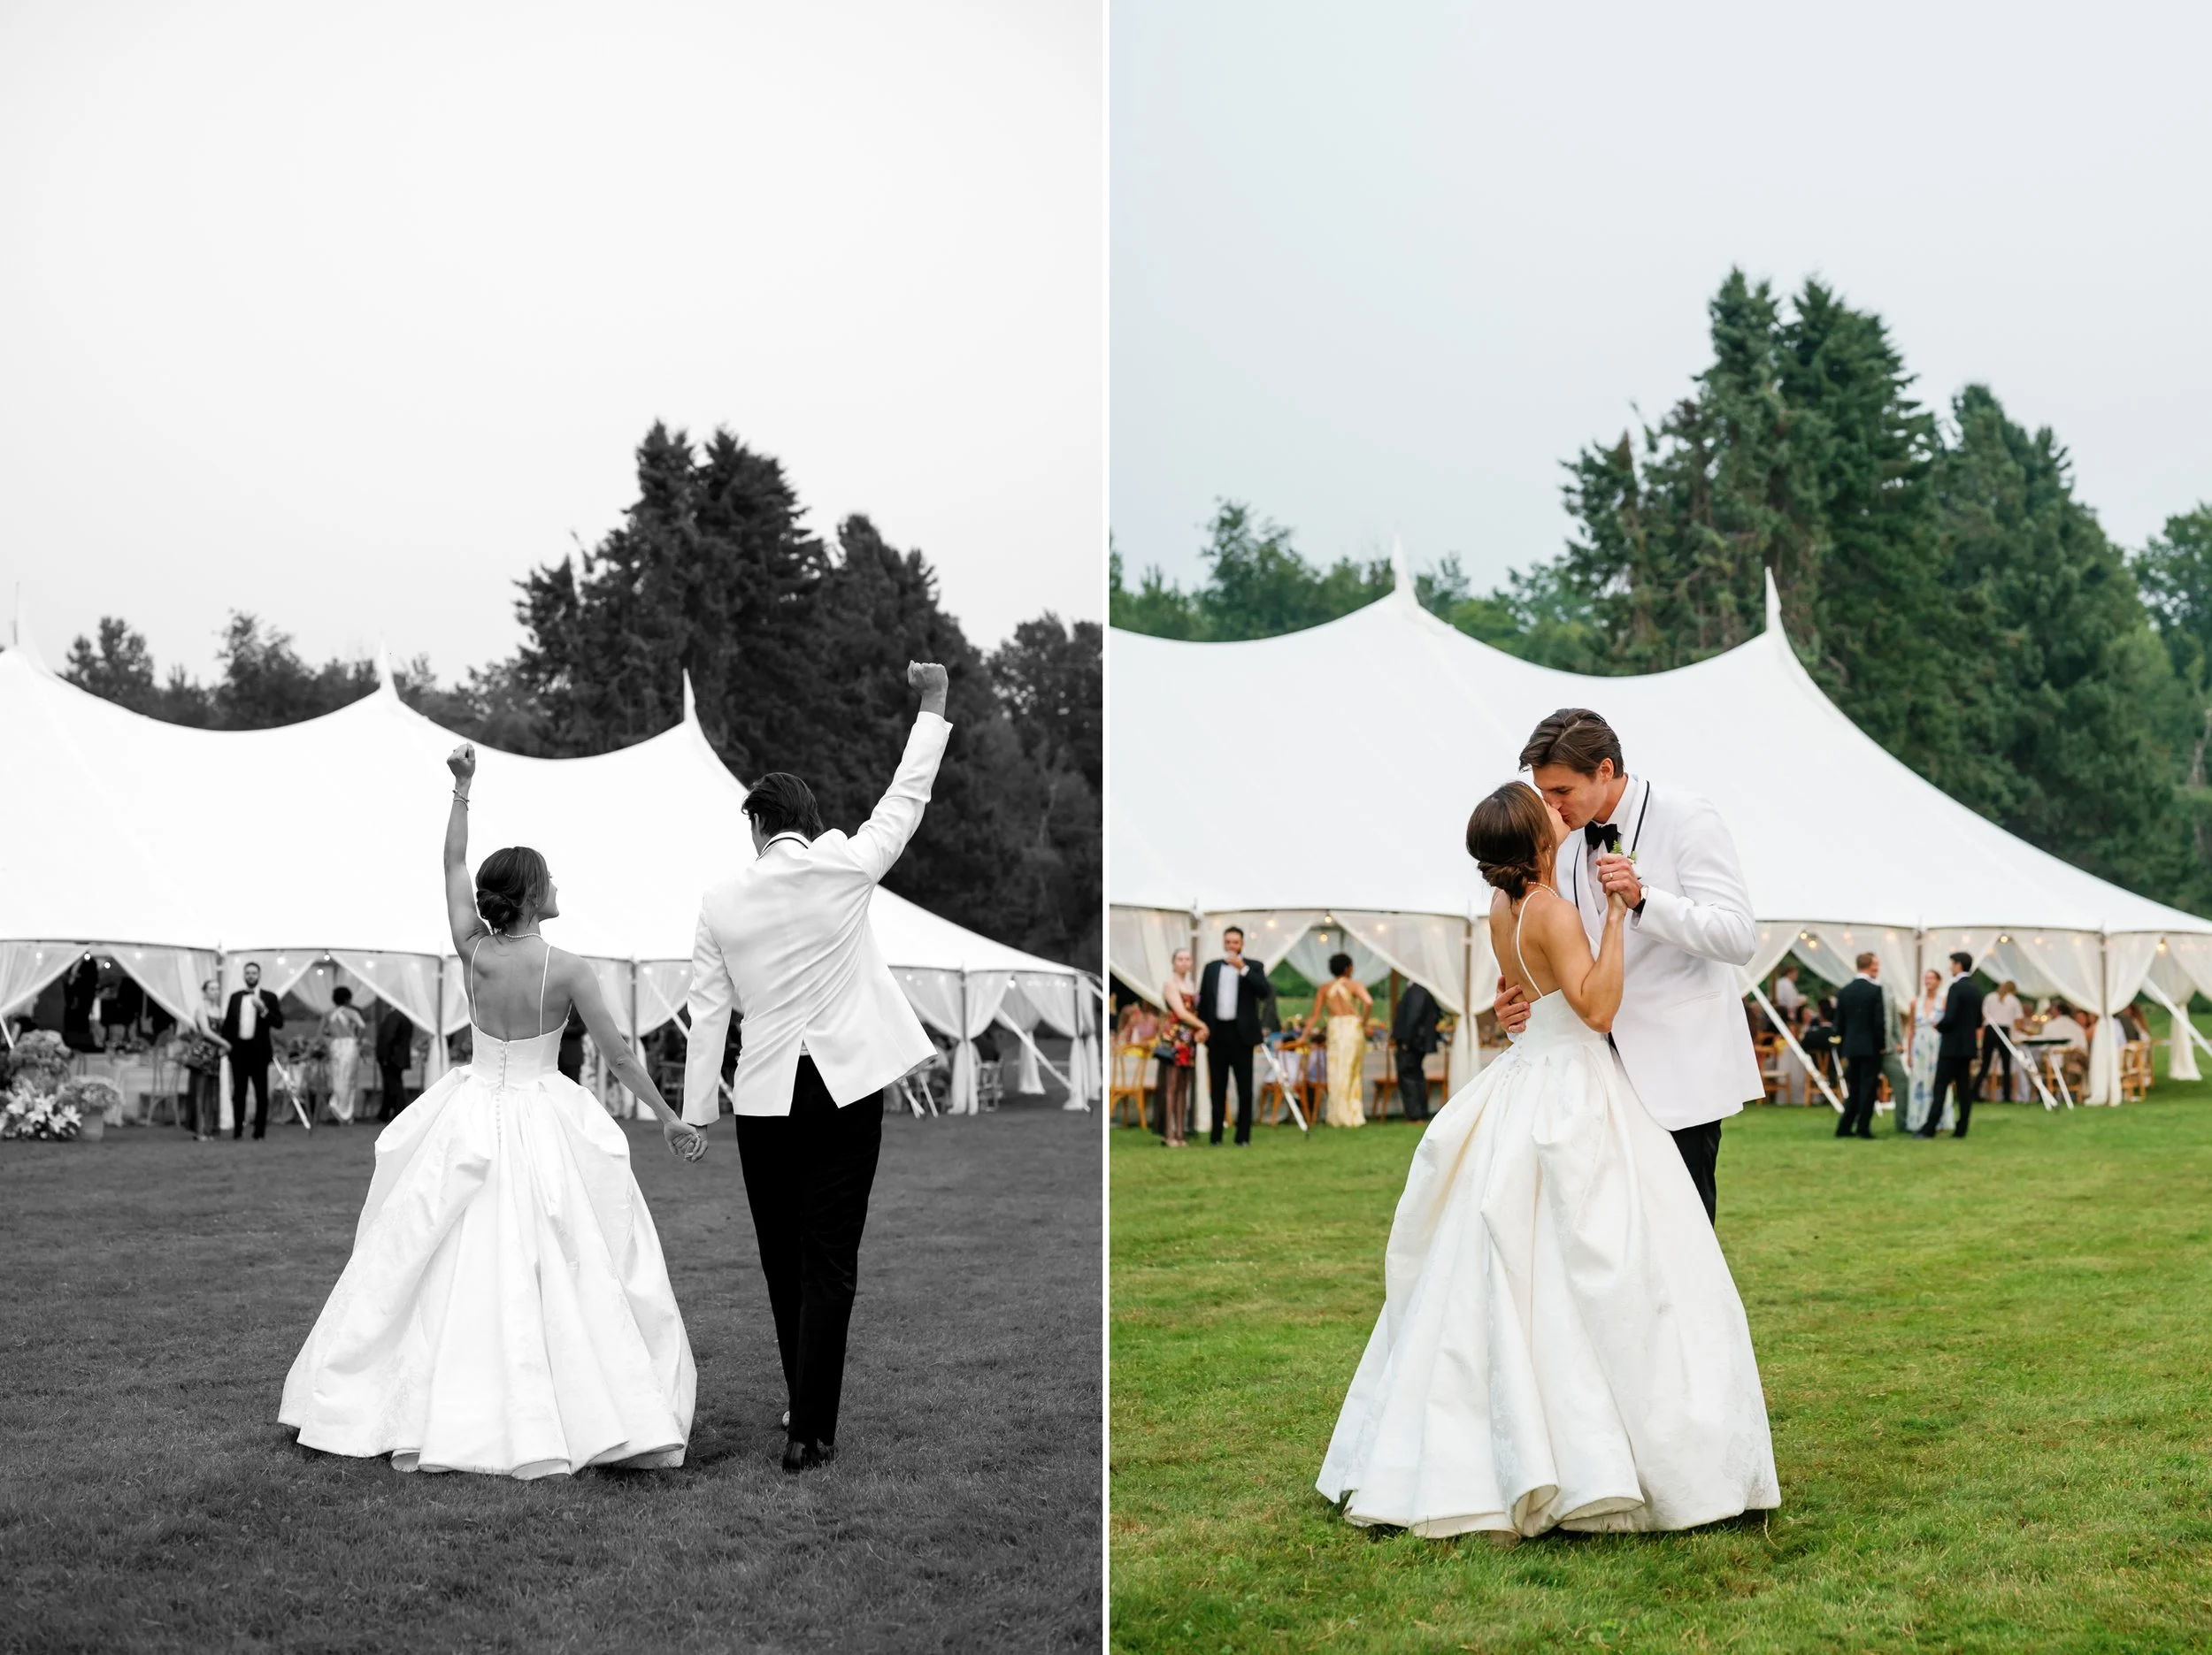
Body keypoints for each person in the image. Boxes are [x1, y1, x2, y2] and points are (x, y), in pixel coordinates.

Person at [1318, 780, 1778, 1537]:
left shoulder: (1501, 910)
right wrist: (1621, 923)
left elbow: (1523, 989)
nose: (1560, 812)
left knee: (1514, 1265)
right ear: (1536, 840)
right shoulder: (1555, 910)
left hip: (1524, 1080)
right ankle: (1615, 1452)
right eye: (1549, 810)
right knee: (1613, 1262)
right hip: (1576, 1082)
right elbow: (1596, 1008)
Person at [281, 742, 702, 1479]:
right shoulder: (568, 967)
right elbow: (622, 1057)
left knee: (438, 1249)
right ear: (533, 895)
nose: (557, 884)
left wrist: (462, 790)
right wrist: (668, 1116)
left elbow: (450, 869)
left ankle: (434, 1393)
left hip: (471, 1105)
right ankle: (565, 1400)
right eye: (549, 879)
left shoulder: (472, 949)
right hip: (542, 1111)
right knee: (569, 1252)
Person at [681, 661, 950, 1474]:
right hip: (845, 1087)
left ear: (759, 828)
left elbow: (708, 1013)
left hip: (763, 1097)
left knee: (781, 1254)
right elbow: (905, 800)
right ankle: (811, 1429)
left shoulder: (720, 899)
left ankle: (804, 1401)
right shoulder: (845, 866)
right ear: (809, 819)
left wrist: (697, 1113)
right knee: (830, 1255)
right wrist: (932, 704)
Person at [1494, 709, 1763, 1223]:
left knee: (1684, 1233)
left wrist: (1644, 901)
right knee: (1612, 1239)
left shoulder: (1688, 816)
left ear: (1604, 769)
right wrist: (1524, 1000)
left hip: (1677, 1073)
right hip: (1592, 1079)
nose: (1549, 807)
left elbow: (1738, 936)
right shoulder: (1561, 834)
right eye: (1543, 793)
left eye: (1561, 793)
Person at [1198, 927, 1268, 1147]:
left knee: (1244, 1088)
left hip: (1242, 1036)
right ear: (1224, 943)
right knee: (1218, 1087)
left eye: (1235, 942)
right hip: (1218, 1034)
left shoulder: (1254, 967)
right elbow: (1204, 1001)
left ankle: (1243, 1137)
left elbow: (1264, 992)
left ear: (1242, 944)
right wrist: (1202, 1028)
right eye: (1228, 942)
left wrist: (1244, 970)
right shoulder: (1211, 968)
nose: (1231, 946)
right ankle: (1216, 1136)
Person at [1919, 952, 1985, 1140]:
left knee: (1940, 1087)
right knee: (1964, 1090)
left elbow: (1950, 1017)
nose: (1950, 968)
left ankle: (1929, 1128)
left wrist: (1938, 1025)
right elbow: (1978, 1021)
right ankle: (1961, 1127)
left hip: (1951, 1047)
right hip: (1967, 1047)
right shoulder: (1975, 989)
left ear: (1958, 965)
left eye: (1952, 964)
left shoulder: (1956, 988)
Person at [1305, 953, 1373, 1129]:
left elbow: (1315, 1015)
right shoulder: (1354, 985)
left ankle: (1336, 1115)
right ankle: (1351, 1115)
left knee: (1335, 1071)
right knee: (1351, 1071)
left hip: (1335, 1028)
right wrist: (1363, 1022)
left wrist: (1303, 1035)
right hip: (1352, 1027)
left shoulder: (1325, 988)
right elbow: (1368, 1002)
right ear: (1348, 968)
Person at [220, 962, 284, 1140]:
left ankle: (259, 1132)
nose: (250, 976)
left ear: (259, 975)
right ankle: (238, 1131)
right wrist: (225, 1046)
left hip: (259, 1051)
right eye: (247, 973)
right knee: (239, 1092)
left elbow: (279, 1023)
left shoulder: (269, 997)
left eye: (254, 973)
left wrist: (263, 1010)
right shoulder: (235, 997)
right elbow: (228, 1025)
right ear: (244, 975)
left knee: (261, 1093)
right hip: (239, 1051)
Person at [1833, 953, 1885, 1139]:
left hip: (1851, 1046)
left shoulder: (1845, 991)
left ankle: (1844, 1126)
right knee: (1868, 1088)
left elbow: (1839, 1023)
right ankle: (1863, 1126)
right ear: (1869, 966)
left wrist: (1843, 1045)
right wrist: (1881, 1045)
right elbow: (1878, 1023)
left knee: (1854, 1087)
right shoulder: (1874, 991)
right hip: (1870, 1046)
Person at [1158, 948, 1203, 1148]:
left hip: (1189, 1038)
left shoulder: (1192, 985)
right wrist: (1203, 1026)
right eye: (1180, 959)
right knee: (1172, 1085)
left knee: (1184, 1086)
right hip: (1175, 1037)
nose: (1184, 963)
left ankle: (1180, 1131)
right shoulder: (1170, 984)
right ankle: (1168, 1132)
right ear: (1173, 962)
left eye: (1187, 959)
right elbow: (1181, 1012)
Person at [184, 977, 230, 1140]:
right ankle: (199, 1130)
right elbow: (206, 1031)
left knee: (213, 1091)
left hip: (215, 1055)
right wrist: (225, 1043)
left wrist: (224, 1047)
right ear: (204, 992)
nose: (215, 992)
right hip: (202, 1054)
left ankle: (210, 1128)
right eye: (211, 989)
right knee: (200, 1091)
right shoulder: (201, 1009)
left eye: (217, 989)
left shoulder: (218, 1009)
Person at [1392, 978, 1442, 1123]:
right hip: (1418, 1042)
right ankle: (1420, 1112)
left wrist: (1406, 1040)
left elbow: (1413, 1015)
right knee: (1417, 1076)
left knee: (1408, 1077)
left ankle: (1415, 1115)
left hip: (1412, 1042)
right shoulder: (1423, 989)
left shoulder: (1416, 990)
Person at [1905, 968, 1946, 1133]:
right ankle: (1917, 1118)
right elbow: (1911, 1029)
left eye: (1931, 978)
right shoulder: (1916, 1003)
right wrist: (1909, 1053)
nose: (1928, 981)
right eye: (1926, 978)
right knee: (1918, 1080)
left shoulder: (1943, 1002)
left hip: (1936, 1043)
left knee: (1937, 1079)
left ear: (1938, 981)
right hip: (1919, 1044)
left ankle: (1939, 1119)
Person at [320, 987, 365, 1124]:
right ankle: (345, 1112)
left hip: (335, 1045)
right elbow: (362, 1026)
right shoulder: (351, 1013)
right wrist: (358, 1039)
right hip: (349, 1045)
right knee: (349, 1078)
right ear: (348, 999)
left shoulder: (328, 1014)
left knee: (337, 1076)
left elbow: (321, 1032)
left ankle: (338, 1106)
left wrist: (329, 1043)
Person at [1978, 978, 2024, 1104]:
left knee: (1985, 1064)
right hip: (2004, 1030)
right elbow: (2018, 1022)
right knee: (2006, 1064)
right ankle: (2007, 1095)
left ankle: (1975, 1091)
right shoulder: (2014, 1001)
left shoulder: (1990, 997)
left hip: (1990, 1029)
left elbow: (1983, 1015)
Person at [374, 1007, 416, 1121]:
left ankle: (399, 1113)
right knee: (391, 1085)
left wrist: (385, 1056)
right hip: (399, 1057)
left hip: (392, 1057)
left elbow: (388, 1037)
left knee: (394, 1086)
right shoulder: (405, 1016)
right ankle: (384, 1114)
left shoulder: (394, 1016)